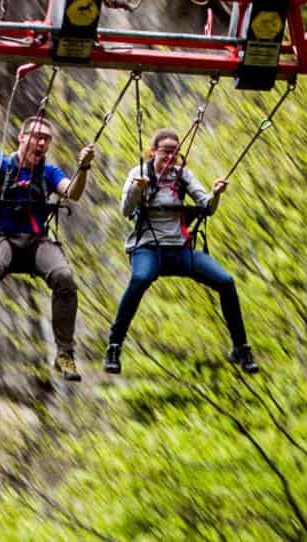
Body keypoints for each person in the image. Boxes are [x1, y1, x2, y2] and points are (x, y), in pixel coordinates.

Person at [104, 127, 259, 375]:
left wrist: (215, 194)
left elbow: (206, 206)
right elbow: (125, 209)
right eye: (165, 151)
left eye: (175, 152)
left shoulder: (182, 176)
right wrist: (137, 189)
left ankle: (241, 347)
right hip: (148, 248)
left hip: (179, 249)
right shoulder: (139, 173)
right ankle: (114, 345)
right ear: (153, 151)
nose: (170, 157)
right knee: (140, 278)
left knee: (226, 281)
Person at [0, 116, 95, 381]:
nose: (41, 143)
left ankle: (65, 354)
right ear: (22, 137)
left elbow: (71, 192)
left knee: (64, 277)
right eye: (36, 137)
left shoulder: (49, 173)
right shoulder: (0, 163)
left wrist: (83, 168)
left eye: (46, 139)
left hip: (36, 240)